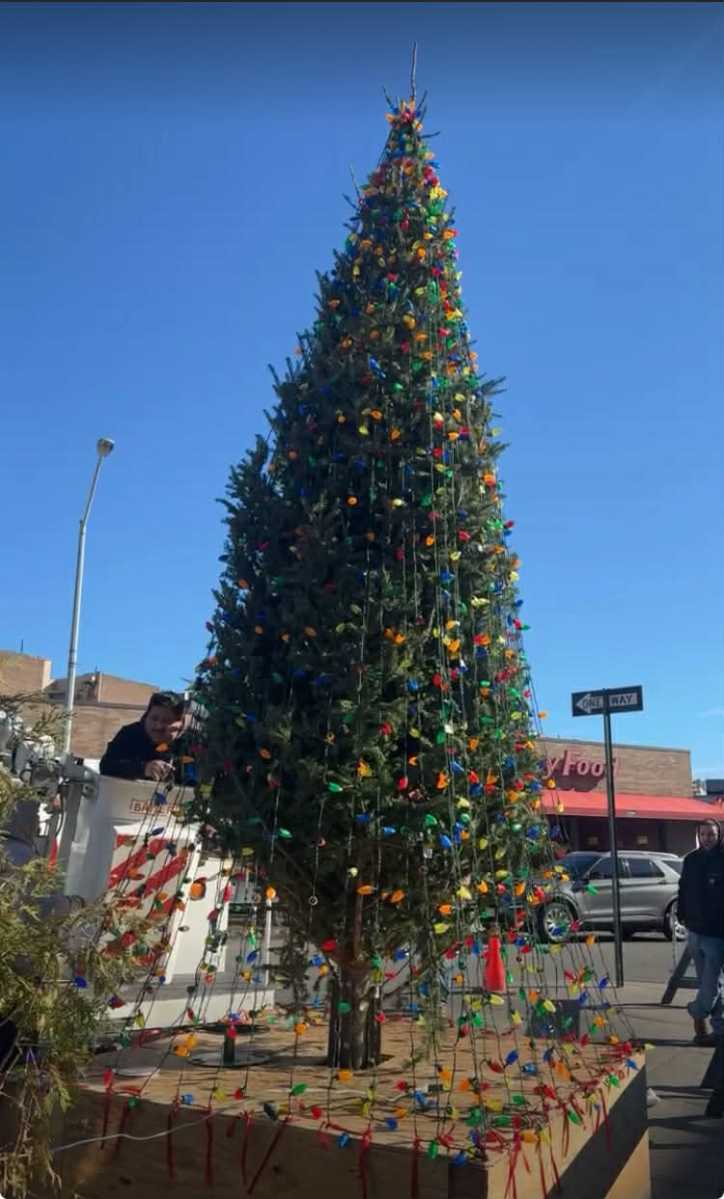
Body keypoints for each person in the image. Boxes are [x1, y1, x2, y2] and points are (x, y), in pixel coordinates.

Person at [677, 819, 724, 1050]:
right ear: (699, 835)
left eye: (712, 834)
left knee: (712, 983)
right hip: (694, 930)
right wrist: (681, 914)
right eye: (704, 834)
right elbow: (682, 888)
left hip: (717, 933)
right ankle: (718, 1030)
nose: (708, 838)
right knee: (709, 981)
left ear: (719, 835)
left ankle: (696, 1013)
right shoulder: (691, 860)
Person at [99, 691, 187, 782]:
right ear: (146, 716)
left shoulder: (190, 745)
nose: (158, 726)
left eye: (167, 721)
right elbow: (106, 766)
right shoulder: (130, 734)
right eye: (154, 718)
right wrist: (144, 768)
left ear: (181, 724)